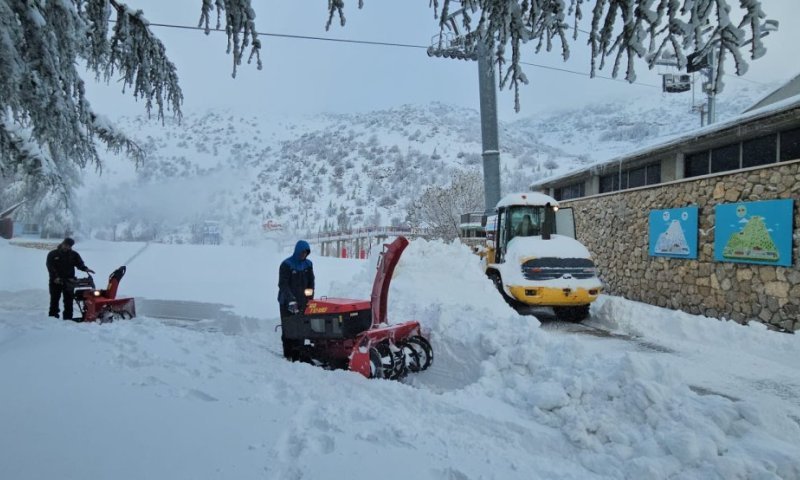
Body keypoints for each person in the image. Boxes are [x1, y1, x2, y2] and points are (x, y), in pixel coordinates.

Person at [278, 240, 315, 360]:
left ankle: (299, 353)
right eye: (302, 252)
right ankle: (288, 353)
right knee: (289, 327)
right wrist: (291, 300)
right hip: (287, 301)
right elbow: (283, 284)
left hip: (302, 301)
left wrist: (309, 298)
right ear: (297, 251)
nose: (304, 255)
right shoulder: (286, 265)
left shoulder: (308, 265)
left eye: (306, 253)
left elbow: (311, 283)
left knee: (301, 327)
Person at [46, 237, 95, 321]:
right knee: (54, 300)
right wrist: (55, 277)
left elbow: (79, 264)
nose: (66, 247)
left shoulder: (74, 255)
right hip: (55, 282)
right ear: (62, 243)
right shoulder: (53, 254)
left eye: (68, 246)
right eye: (65, 245)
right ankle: (53, 319)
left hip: (69, 282)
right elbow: (50, 267)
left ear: (71, 246)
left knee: (68, 302)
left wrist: (85, 269)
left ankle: (68, 319)